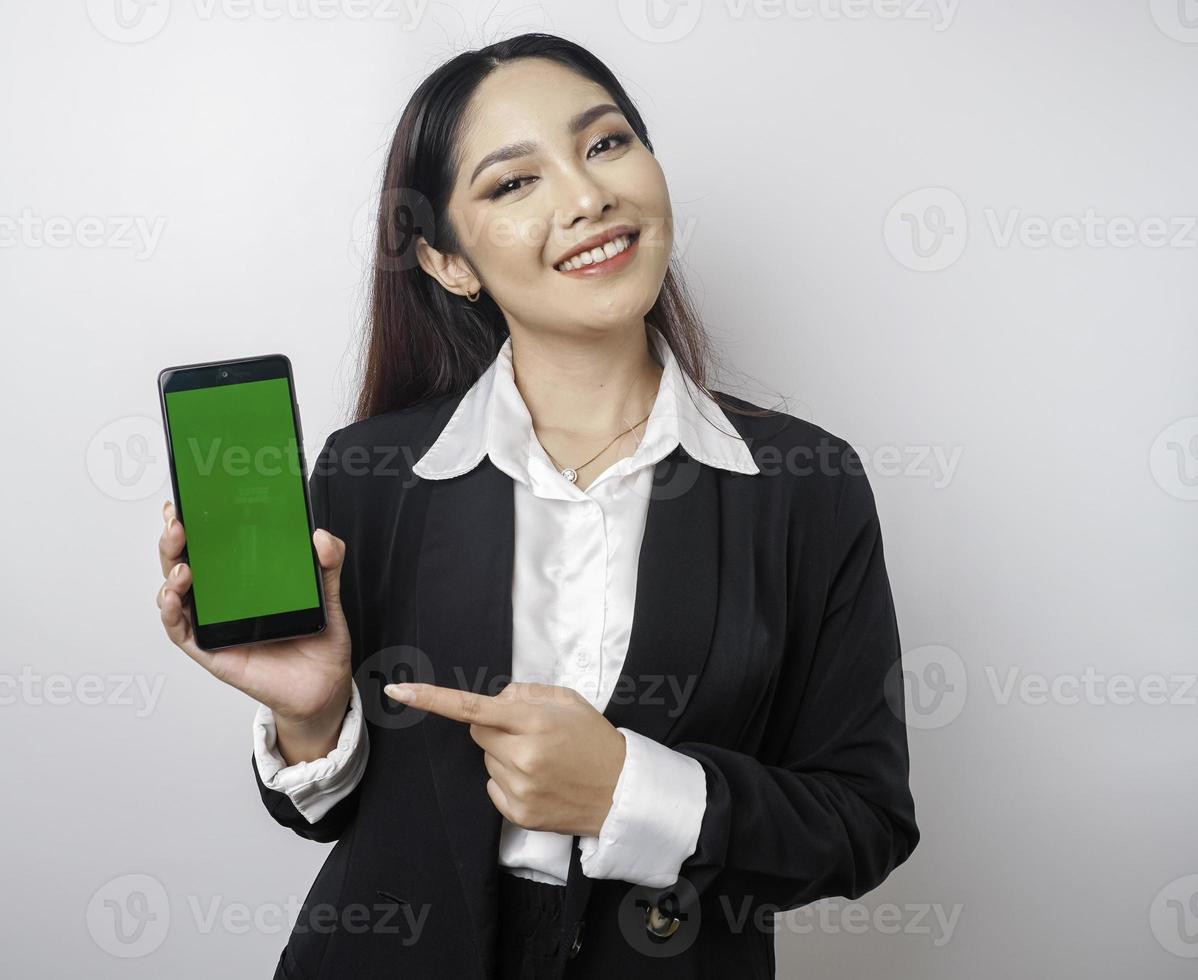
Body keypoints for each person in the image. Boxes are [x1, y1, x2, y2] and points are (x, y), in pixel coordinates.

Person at [156, 32, 919, 979]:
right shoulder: (371, 473)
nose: (585, 195)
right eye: (512, 183)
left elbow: (864, 824)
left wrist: (628, 792)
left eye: (605, 145)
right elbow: (339, 819)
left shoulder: (807, 485)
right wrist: (315, 720)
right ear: (447, 262)